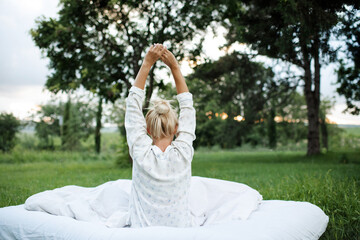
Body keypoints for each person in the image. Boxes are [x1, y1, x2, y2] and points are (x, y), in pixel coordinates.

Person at [124, 43, 196, 228]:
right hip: (180, 232)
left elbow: (133, 104)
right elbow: (187, 107)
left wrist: (147, 62)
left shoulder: (141, 153)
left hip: (142, 234)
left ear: (147, 129)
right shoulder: (184, 153)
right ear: (176, 129)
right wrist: (175, 67)